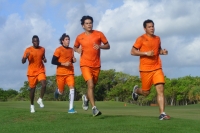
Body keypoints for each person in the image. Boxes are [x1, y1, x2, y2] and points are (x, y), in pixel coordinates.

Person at [131, 19, 170, 120]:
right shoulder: (141, 39)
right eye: (149, 27)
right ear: (145, 28)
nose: (152, 28)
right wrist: (145, 53)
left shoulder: (157, 38)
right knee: (145, 93)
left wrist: (163, 52)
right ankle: (136, 90)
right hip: (145, 69)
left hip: (157, 68)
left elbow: (157, 50)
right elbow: (132, 51)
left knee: (160, 90)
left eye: (153, 26)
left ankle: (162, 113)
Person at [74, 15, 110, 116]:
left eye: (90, 23)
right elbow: (75, 47)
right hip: (85, 64)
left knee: (92, 87)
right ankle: (94, 108)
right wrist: (77, 50)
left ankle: (86, 97)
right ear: (83, 25)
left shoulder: (99, 34)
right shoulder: (79, 37)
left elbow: (108, 45)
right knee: (90, 85)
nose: (89, 25)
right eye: (87, 23)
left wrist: (100, 46)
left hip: (96, 65)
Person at [52, 33, 77, 113]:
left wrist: (74, 60)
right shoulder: (58, 49)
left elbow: (71, 60)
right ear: (62, 41)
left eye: (68, 39)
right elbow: (53, 61)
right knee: (61, 92)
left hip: (70, 72)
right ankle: (57, 91)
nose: (68, 41)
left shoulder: (71, 50)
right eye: (66, 39)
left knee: (72, 88)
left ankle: (71, 108)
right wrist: (63, 64)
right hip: (60, 73)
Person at [22, 35, 46, 113]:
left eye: (37, 41)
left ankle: (40, 99)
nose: (36, 42)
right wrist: (26, 57)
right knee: (32, 89)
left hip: (40, 70)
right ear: (32, 42)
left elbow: (43, 57)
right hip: (31, 72)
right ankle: (32, 105)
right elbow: (22, 61)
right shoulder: (28, 50)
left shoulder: (42, 49)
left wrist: (44, 59)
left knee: (44, 84)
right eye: (35, 41)